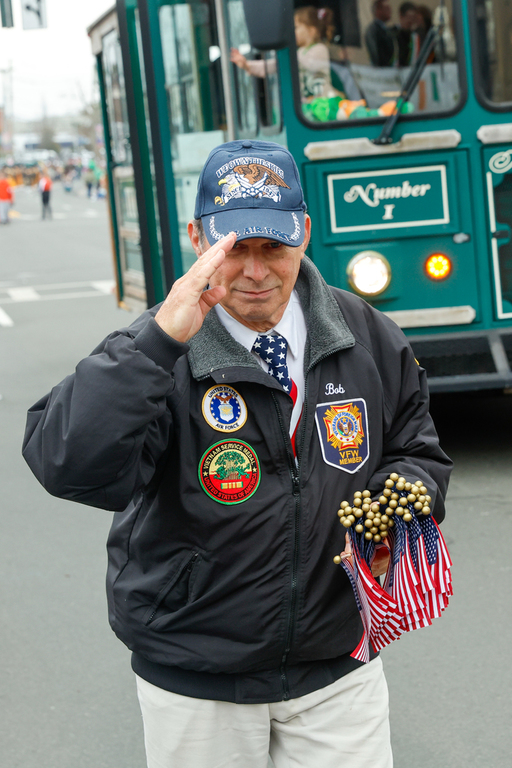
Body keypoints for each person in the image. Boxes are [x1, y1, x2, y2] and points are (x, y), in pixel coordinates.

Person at [23, 139, 452, 768]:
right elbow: (68, 464)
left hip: (339, 668)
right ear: (199, 239)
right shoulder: (156, 347)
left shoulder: (366, 333)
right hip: (198, 680)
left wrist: (403, 506)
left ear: (304, 234)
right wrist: (157, 344)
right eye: (235, 248)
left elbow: (416, 447)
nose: (254, 272)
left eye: (273, 248)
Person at [231, 6, 337, 102]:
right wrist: (247, 65)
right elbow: (274, 65)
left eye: (295, 28)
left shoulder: (320, 49)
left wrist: (285, 54)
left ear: (311, 31)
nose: (292, 32)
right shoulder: (297, 53)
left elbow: (306, 63)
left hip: (324, 102)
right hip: (308, 103)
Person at [365, 0, 395, 67]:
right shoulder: (373, 30)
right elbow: (375, 55)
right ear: (378, 11)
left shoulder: (386, 29)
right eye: (387, 8)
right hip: (381, 70)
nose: (390, 11)